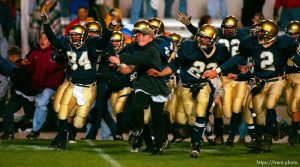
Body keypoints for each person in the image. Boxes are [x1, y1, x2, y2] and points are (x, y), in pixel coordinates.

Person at [203, 20, 300, 153]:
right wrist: (217, 71)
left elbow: (295, 58)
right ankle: (259, 142)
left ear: (271, 34)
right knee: (258, 112)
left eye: (262, 33)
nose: (258, 35)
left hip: (276, 80)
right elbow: (238, 57)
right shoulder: (252, 43)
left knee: (270, 104)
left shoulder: (283, 44)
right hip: (259, 81)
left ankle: (267, 138)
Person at [41, 11, 115, 149]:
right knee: (63, 110)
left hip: (89, 86)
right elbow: (53, 40)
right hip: (73, 83)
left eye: (77, 35)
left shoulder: (92, 44)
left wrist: (109, 29)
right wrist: (46, 23)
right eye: (72, 35)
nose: (74, 38)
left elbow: (104, 40)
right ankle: (61, 139)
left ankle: (85, 123)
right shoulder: (66, 43)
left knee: (79, 122)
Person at [109, 25, 170, 155]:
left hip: (155, 86)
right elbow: (134, 68)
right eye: (138, 34)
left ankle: (158, 145)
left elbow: (137, 60)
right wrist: (119, 66)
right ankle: (138, 131)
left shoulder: (151, 49)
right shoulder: (142, 49)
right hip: (143, 85)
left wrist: (120, 59)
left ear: (151, 37)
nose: (139, 37)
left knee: (157, 119)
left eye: (143, 35)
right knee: (136, 107)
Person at [24, 32, 65, 140]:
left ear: (50, 41)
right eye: (41, 38)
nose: (42, 40)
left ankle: (35, 130)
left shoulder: (56, 53)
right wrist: (22, 64)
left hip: (52, 86)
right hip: (38, 86)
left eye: (46, 39)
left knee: (41, 103)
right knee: (39, 104)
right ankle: (37, 130)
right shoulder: (34, 53)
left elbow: (63, 69)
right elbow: (27, 68)